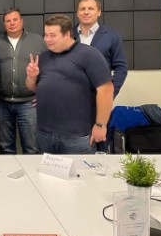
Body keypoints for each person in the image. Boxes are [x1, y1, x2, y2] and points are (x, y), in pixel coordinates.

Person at [25, 14, 114, 155]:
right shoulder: (43, 58)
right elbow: (32, 88)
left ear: (67, 34)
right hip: (45, 134)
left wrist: (100, 125)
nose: (47, 39)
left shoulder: (89, 55)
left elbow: (106, 90)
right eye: (46, 35)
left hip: (77, 137)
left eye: (52, 35)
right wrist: (31, 77)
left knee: (81, 170)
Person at [0, 8, 46, 154]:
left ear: (22, 21)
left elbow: (49, 69)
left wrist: (42, 93)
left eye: (15, 19)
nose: (12, 23)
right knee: (5, 148)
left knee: (31, 147)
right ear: (4, 24)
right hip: (2, 103)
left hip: (29, 103)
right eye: (8, 21)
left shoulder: (38, 41)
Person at [74, 0, 128, 97]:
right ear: (77, 13)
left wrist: (110, 93)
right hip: (70, 96)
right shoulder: (67, 35)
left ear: (99, 12)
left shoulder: (111, 36)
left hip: (99, 97)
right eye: (82, 9)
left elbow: (121, 68)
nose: (86, 12)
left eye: (90, 9)